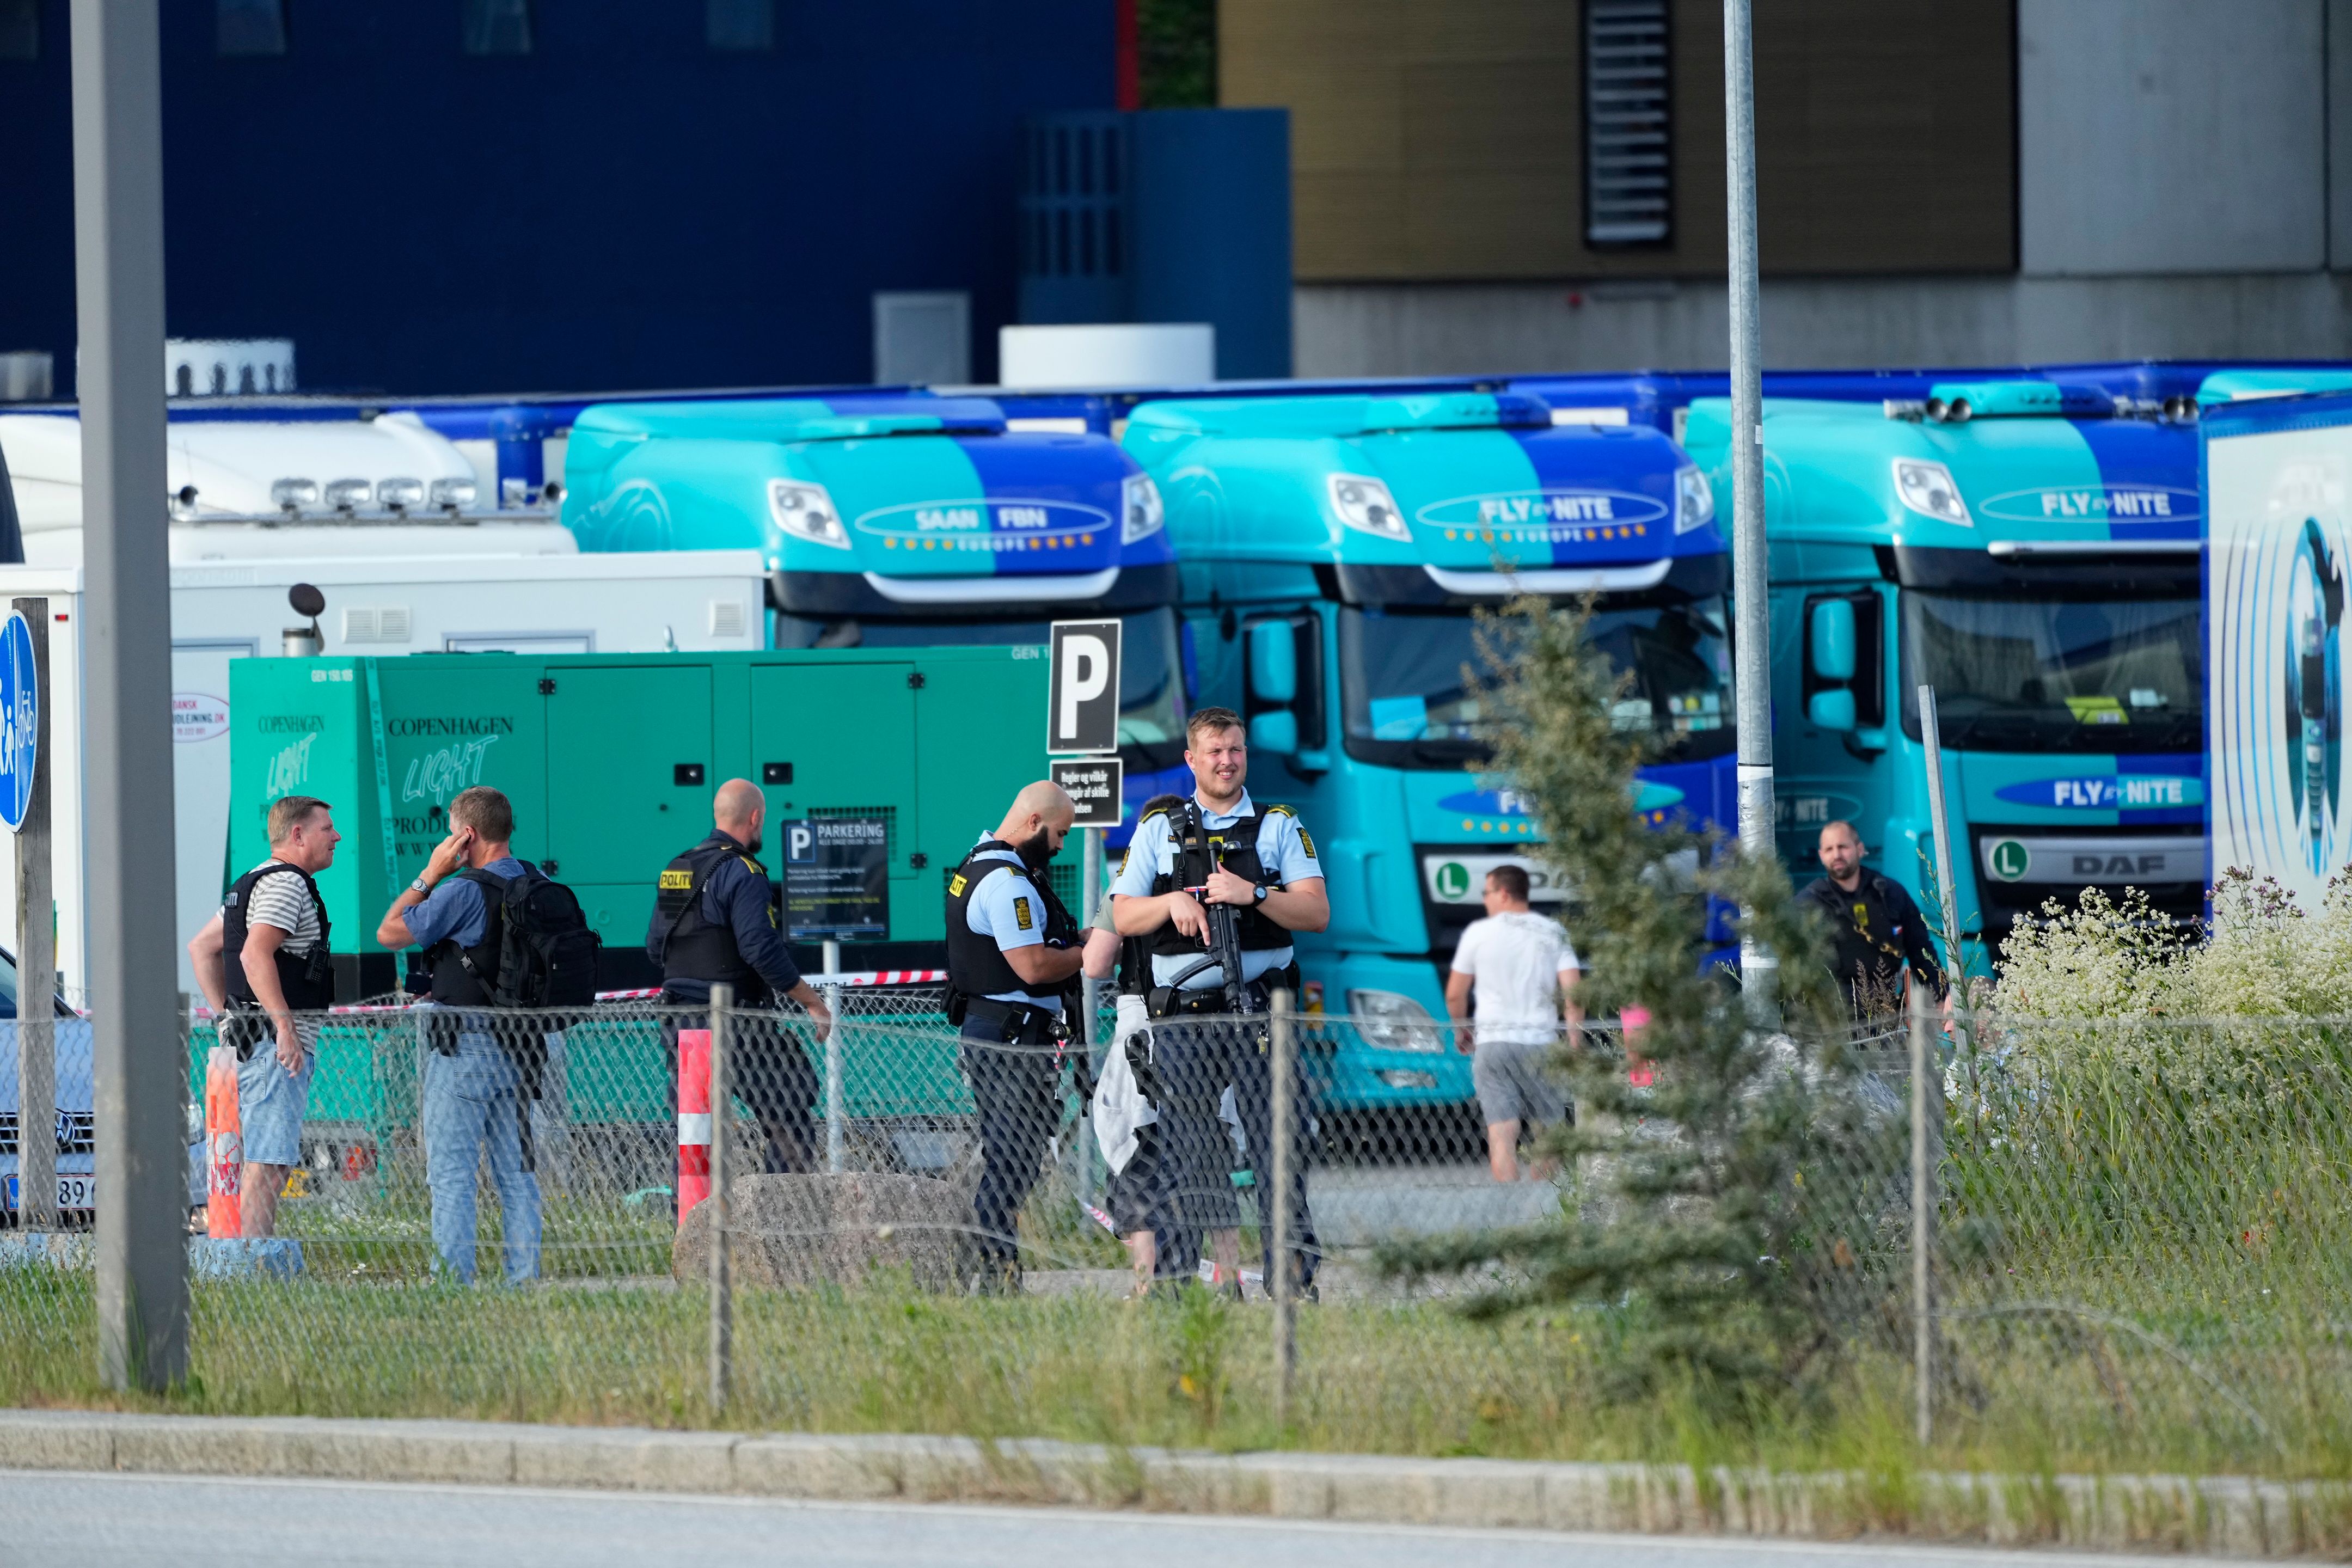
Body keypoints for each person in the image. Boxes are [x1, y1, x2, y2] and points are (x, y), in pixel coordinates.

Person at [1112, 707, 1328, 1297]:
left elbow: (1314, 911)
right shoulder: (1160, 828)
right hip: (1183, 1018)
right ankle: (1178, 1282)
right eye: (1214, 752)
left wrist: (1252, 893)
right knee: (1187, 1148)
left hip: (1260, 1013)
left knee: (1274, 1143)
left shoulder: (1280, 825)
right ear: (1191, 760)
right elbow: (1122, 911)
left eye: (1235, 750)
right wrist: (1170, 905)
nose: (1227, 761)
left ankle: (1293, 1277)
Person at [375, 786, 543, 1284]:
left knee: (451, 1174)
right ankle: (524, 1280)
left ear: (466, 835)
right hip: (525, 1047)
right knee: (518, 1175)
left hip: (465, 1046)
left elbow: (390, 932)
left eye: (453, 834)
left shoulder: (463, 889)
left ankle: (453, 1282)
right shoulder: (537, 882)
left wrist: (431, 872)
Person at [647, 779, 833, 1176]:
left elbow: (654, 948)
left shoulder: (678, 868)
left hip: (683, 1025)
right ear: (755, 818)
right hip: (739, 1025)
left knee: (695, 1130)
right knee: (791, 1109)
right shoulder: (743, 872)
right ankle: (782, 1220)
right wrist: (812, 1001)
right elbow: (761, 950)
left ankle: (693, 1229)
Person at [945, 780, 1085, 1294]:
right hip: (1012, 1040)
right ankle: (994, 1271)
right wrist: (1086, 958)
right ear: (1033, 823)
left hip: (1004, 1035)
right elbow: (1032, 965)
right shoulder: (1008, 883)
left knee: (1016, 1154)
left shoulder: (978, 865)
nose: (1061, 846)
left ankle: (994, 1266)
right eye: (1059, 834)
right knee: (1014, 1157)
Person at [187, 794, 341, 1239]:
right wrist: (285, 1027)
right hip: (274, 1050)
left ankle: (236, 1259)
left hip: (248, 1044)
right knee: (268, 1164)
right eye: (326, 829)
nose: (336, 837)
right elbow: (256, 954)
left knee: (250, 1161)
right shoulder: (287, 884)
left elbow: (201, 948)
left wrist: (226, 1017)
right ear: (297, 835)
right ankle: (249, 1267)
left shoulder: (250, 881)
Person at [1087, 792, 1190, 1293]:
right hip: (1207, 1031)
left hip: (1141, 1031)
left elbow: (1097, 964)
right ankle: (1231, 1276)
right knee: (1203, 1155)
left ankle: (1147, 1284)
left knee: (1137, 1157)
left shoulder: (1126, 890)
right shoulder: (1212, 879)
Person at [1444, 865, 1582, 1184]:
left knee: (1502, 1132)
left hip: (1493, 1045)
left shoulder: (1478, 933)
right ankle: (1542, 1206)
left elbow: (1455, 995)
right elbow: (1574, 991)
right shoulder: (1552, 931)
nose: (1485, 900)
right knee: (1551, 1129)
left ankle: (1509, 1212)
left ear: (1504, 894)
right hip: (1541, 1045)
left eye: (1487, 893)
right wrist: (1574, 1043)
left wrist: (1462, 1030)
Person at [1797, 819, 1943, 1021]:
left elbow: (1921, 952)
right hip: (1833, 1018)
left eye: (1843, 847)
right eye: (1829, 849)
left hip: (1887, 1015)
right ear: (1822, 856)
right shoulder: (1809, 902)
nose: (1837, 855)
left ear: (1860, 849)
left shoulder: (1890, 893)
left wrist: (1941, 997)